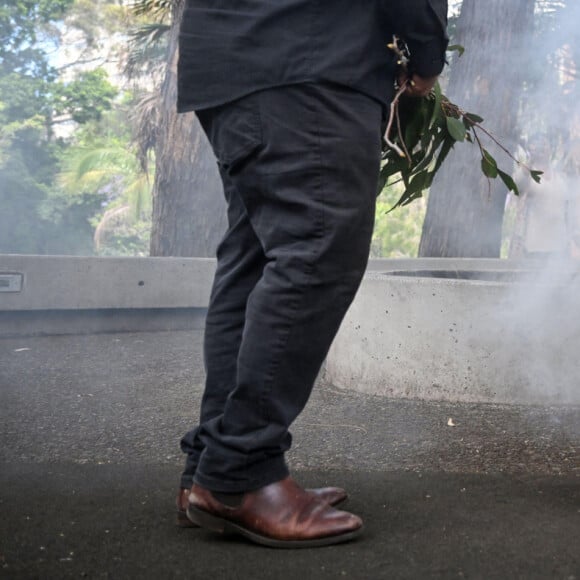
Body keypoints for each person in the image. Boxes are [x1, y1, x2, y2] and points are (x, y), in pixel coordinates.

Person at [175, 0, 448, 548]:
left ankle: (213, 469)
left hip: (241, 57)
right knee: (317, 251)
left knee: (255, 259)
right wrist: (425, 52)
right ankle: (241, 471)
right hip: (308, 62)